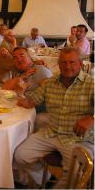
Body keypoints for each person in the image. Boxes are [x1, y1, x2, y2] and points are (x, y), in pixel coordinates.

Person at [14, 47, 94, 188]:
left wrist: (92, 117)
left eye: (72, 62)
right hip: (52, 133)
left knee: (73, 175)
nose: (67, 66)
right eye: (63, 62)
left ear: (80, 64)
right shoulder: (51, 83)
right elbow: (31, 101)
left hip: (78, 138)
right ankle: (43, 181)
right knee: (21, 156)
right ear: (58, 63)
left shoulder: (91, 84)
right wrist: (20, 95)